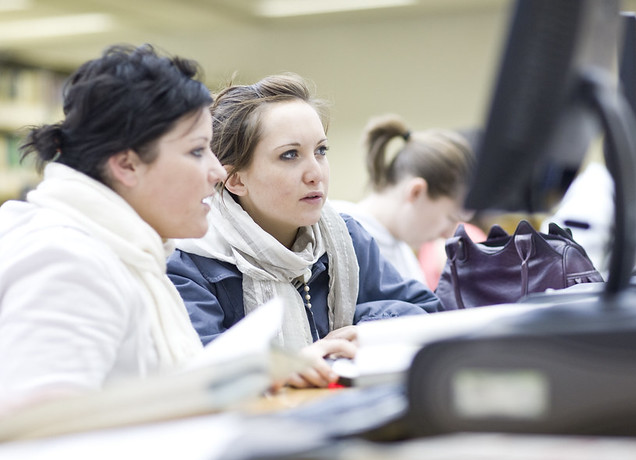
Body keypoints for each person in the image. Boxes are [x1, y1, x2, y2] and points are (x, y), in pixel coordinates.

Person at [0, 45, 354, 414]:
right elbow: (38, 438)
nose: (218, 173)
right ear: (127, 165)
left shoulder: (125, 251)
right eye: (198, 151)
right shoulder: (66, 261)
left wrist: (247, 376)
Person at [166, 74, 441, 388]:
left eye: (321, 151)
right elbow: (201, 374)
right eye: (290, 155)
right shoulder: (189, 260)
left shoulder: (344, 237)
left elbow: (429, 314)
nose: (315, 174)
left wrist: (368, 330)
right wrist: (283, 367)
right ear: (236, 180)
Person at [332, 114, 481, 287]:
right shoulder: (339, 234)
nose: (448, 234)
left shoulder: (403, 254)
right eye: (450, 218)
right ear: (416, 192)